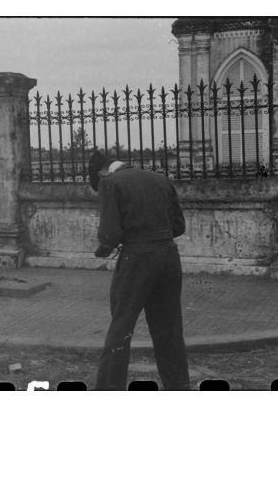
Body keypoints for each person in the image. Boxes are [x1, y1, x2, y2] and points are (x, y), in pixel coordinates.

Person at [89, 150, 190, 390]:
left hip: (136, 261)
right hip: (168, 258)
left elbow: (109, 234)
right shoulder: (160, 179)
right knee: (169, 329)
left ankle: (108, 389)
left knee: (121, 328)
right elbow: (178, 226)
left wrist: (103, 249)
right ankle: (179, 387)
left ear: (102, 173)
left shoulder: (110, 184)